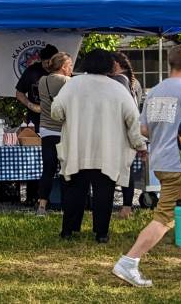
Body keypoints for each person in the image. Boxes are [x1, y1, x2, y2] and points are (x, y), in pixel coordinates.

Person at [113, 45, 181, 288]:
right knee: (165, 217)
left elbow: (144, 128)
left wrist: (162, 132)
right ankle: (129, 260)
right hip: (179, 162)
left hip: (160, 160)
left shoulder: (154, 91)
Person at [51, 48, 146, 243]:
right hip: (107, 152)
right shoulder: (117, 89)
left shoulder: (73, 84)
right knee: (104, 194)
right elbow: (133, 120)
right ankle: (101, 233)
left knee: (73, 192)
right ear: (109, 65)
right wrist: (140, 145)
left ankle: (68, 230)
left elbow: (56, 112)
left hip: (77, 150)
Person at [16, 44, 58, 205]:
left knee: (53, 158)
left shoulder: (60, 73)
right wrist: (31, 105)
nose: (47, 65)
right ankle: (32, 195)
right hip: (35, 121)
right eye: (45, 62)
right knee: (33, 157)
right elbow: (19, 93)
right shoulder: (32, 71)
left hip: (56, 121)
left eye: (50, 61)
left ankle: (53, 196)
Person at [35, 52, 73, 217]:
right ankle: (66, 206)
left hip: (46, 129)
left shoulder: (42, 81)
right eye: (70, 65)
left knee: (48, 169)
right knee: (66, 169)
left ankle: (42, 206)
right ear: (63, 67)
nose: (71, 69)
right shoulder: (67, 82)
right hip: (63, 129)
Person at [114, 51, 145, 220]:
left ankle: (125, 207)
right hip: (132, 130)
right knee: (127, 169)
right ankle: (127, 206)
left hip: (119, 130)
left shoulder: (117, 81)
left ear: (117, 64)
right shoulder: (135, 82)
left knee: (117, 170)